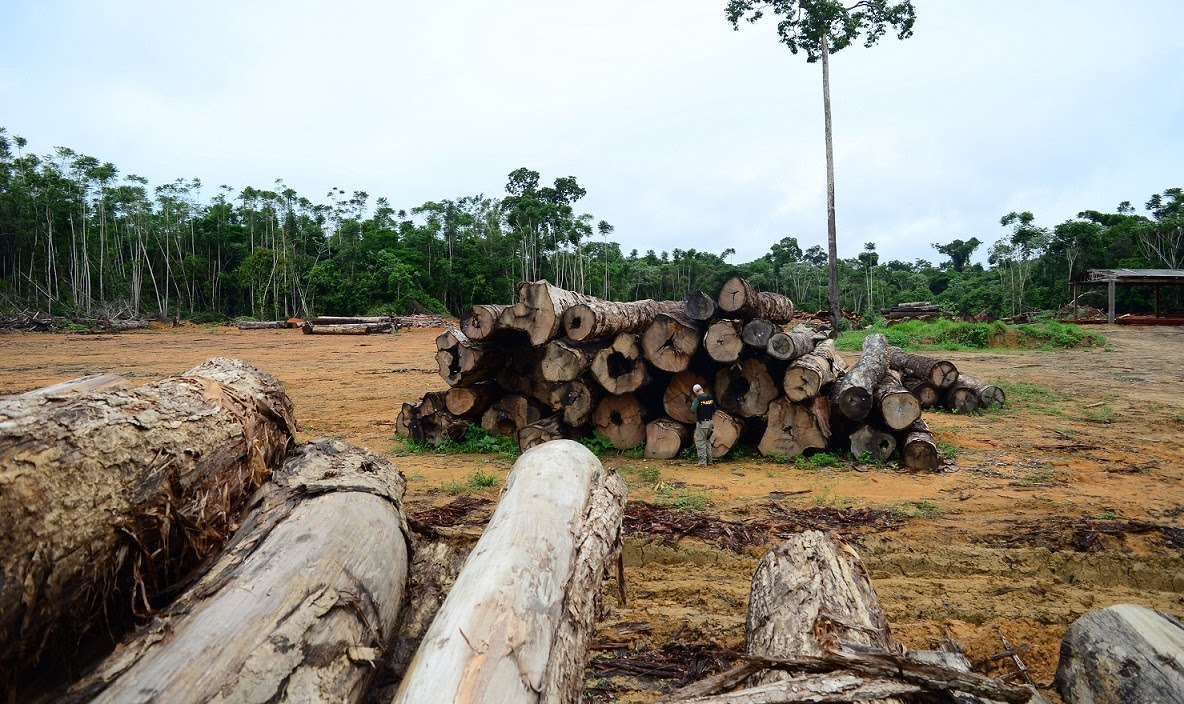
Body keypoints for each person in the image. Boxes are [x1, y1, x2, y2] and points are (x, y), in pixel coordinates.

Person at [689, 383, 716, 467]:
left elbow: (693, 410)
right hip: (710, 422)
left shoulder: (698, 399)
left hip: (702, 423)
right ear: (701, 389)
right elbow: (714, 408)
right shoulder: (710, 397)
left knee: (700, 442)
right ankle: (709, 461)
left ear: (695, 392)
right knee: (707, 441)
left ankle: (702, 462)